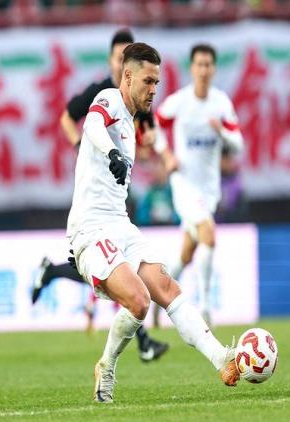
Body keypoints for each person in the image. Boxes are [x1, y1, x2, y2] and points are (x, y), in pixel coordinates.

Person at [67, 42, 240, 403]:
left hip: (120, 224)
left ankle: (221, 357)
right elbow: (93, 124)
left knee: (167, 287)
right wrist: (111, 152)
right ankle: (107, 365)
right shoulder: (109, 99)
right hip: (91, 227)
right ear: (127, 77)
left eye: (157, 83)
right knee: (139, 301)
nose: (153, 90)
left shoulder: (132, 125)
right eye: (147, 81)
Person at [32, 28, 168, 363]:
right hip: (95, 190)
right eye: (119, 56)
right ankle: (144, 341)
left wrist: (150, 148)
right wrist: (84, 146)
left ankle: (52, 271)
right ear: (112, 61)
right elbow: (68, 118)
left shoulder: (140, 95)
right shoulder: (100, 93)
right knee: (115, 265)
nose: (123, 63)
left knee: (111, 266)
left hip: (120, 190)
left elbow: (147, 141)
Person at [153, 44, 244, 326]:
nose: (203, 70)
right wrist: (167, 155)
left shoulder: (221, 103)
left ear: (213, 69)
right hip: (184, 184)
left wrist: (222, 133)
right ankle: (205, 307)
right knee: (208, 233)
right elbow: (154, 123)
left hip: (209, 189)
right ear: (192, 69)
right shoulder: (179, 102)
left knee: (187, 252)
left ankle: (158, 295)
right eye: (199, 65)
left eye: (208, 65)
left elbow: (238, 144)